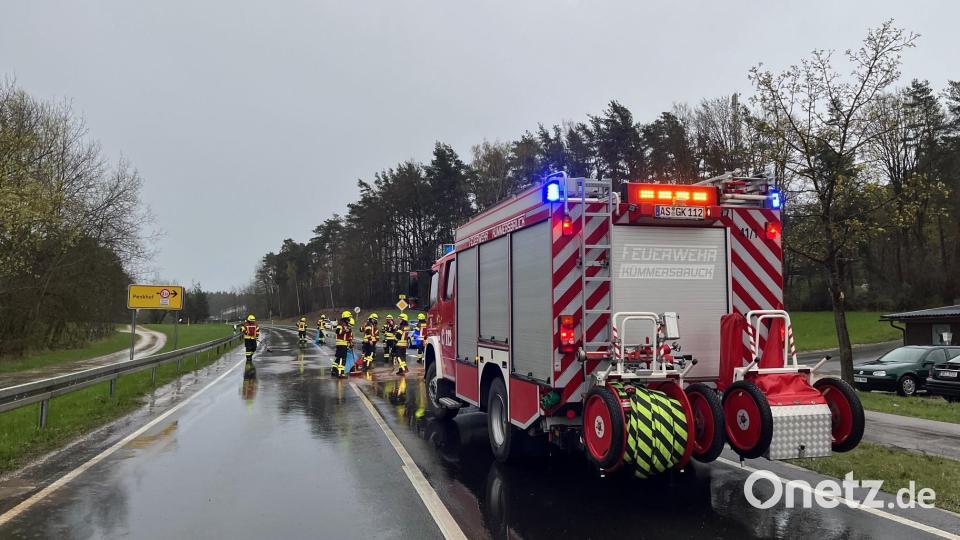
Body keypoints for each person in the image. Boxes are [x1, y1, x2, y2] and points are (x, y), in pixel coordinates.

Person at [331, 311, 353, 378]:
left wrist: (350, 343)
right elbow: (337, 331)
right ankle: (341, 373)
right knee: (343, 359)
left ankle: (334, 370)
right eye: (349, 318)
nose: (349, 319)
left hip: (343, 344)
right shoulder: (341, 324)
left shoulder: (346, 325)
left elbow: (348, 337)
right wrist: (345, 330)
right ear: (346, 318)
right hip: (341, 344)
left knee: (338, 358)